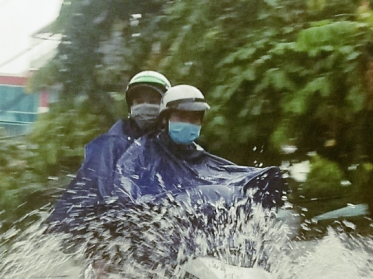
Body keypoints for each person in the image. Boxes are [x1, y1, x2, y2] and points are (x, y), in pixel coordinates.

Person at [113, 84, 285, 210]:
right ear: (165, 119)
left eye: (194, 118)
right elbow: (128, 198)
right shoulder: (141, 153)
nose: (188, 123)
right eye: (181, 116)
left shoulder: (198, 155)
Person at [48, 71, 171, 231]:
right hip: (114, 231)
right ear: (131, 106)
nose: (146, 106)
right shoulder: (111, 145)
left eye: (153, 101)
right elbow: (95, 190)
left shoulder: (175, 143)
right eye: (139, 101)